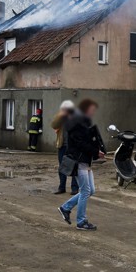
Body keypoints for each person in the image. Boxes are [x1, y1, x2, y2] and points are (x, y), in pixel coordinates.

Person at [57, 98, 104, 231]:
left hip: (85, 160)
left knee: (91, 190)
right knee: (85, 191)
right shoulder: (76, 124)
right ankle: (81, 221)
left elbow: (88, 141)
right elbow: (80, 144)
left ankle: (65, 208)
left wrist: (97, 150)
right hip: (79, 161)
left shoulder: (83, 123)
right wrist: (96, 151)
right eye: (92, 110)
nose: (93, 112)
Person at [52, 100, 79, 195]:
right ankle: (61, 187)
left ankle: (75, 188)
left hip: (73, 147)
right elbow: (54, 125)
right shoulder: (61, 118)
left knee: (74, 167)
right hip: (62, 145)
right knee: (62, 167)